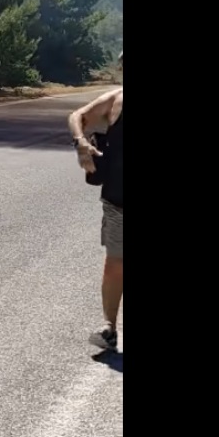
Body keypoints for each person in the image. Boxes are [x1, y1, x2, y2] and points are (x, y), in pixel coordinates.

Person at [68, 51, 123, 350]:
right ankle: (109, 328)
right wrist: (81, 143)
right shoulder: (116, 100)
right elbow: (77, 116)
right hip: (118, 198)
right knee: (115, 264)